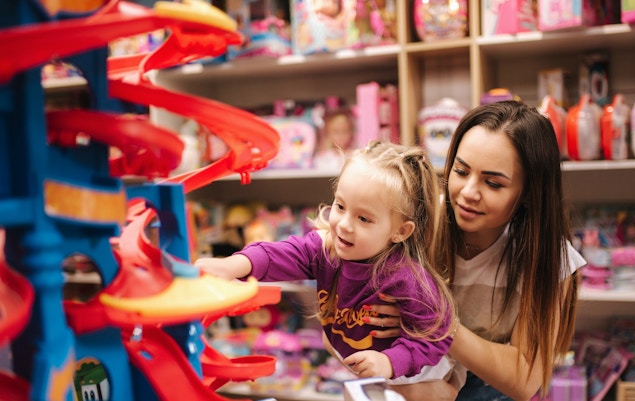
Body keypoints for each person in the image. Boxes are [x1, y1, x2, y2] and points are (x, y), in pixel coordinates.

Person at [366, 101, 586, 401]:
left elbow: (523, 380)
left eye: (493, 183)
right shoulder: (416, 222)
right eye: (461, 171)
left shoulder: (550, 257)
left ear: (528, 193)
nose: (468, 193)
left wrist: (438, 324)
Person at [195, 140, 458, 385]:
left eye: (364, 219)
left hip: (411, 379)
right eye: (341, 206)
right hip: (361, 372)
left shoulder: (405, 276)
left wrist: (389, 361)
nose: (344, 225)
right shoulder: (326, 248)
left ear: (400, 231)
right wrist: (232, 265)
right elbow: (279, 254)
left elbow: (436, 337)